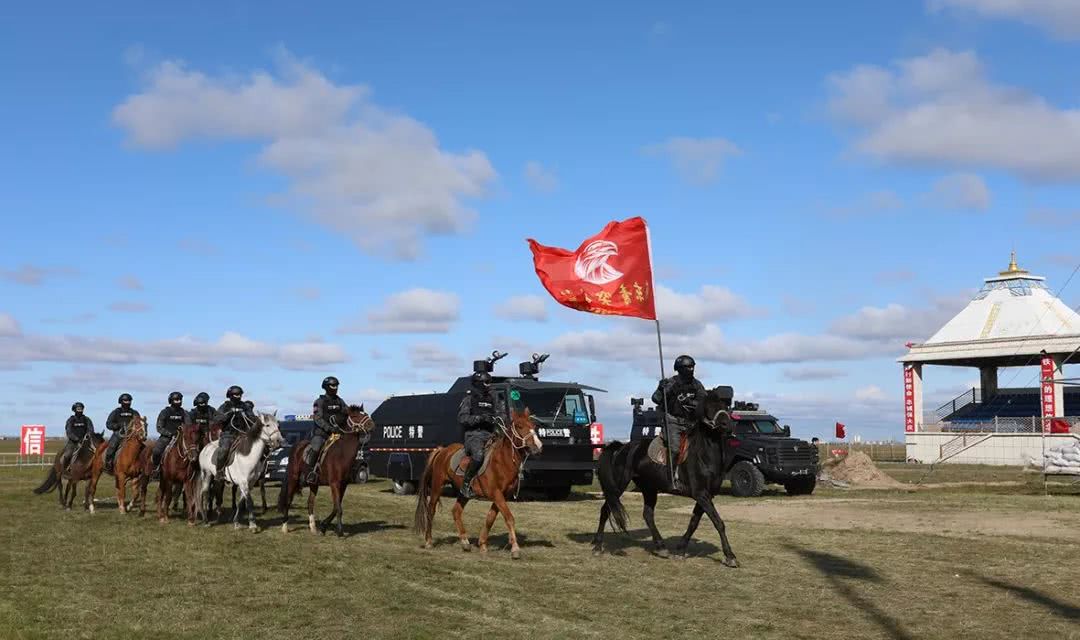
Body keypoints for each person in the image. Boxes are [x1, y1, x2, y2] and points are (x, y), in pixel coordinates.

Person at [652, 354, 706, 491]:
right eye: (688, 367)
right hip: (673, 421)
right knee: (675, 449)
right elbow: (656, 399)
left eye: (692, 366)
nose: (691, 369)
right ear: (680, 369)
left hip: (691, 423)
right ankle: (670, 479)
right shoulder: (671, 383)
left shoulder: (697, 384)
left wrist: (694, 403)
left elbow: (704, 400)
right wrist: (660, 389)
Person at [456, 371, 501, 499]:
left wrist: (496, 419)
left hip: (491, 435)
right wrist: (479, 418)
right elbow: (462, 418)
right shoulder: (469, 399)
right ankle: (465, 485)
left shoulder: (493, 399)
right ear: (479, 384)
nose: (489, 385)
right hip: (474, 435)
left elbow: (501, 414)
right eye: (486, 382)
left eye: (489, 382)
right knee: (479, 455)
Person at [304, 376, 349, 484]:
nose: (335, 387)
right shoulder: (319, 401)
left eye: (336, 385)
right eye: (333, 385)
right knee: (316, 447)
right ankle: (311, 473)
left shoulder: (340, 401)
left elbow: (347, 413)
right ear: (326, 387)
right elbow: (317, 419)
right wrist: (329, 428)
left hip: (337, 433)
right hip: (322, 434)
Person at [213, 385, 255, 478]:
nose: (238, 396)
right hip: (228, 434)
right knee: (224, 449)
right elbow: (216, 419)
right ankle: (219, 471)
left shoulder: (244, 406)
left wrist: (248, 416)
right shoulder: (225, 406)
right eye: (236, 394)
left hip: (243, 435)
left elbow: (252, 419)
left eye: (239, 394)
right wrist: (228, 414)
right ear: (230, 395)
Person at [151, 392, 191, 477]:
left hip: (181, 437)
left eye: (180, 400)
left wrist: (183, 432)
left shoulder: (184, 413)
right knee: (156, 451)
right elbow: (159, 427)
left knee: (193, 450)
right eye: (176, 400)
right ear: (171, 401)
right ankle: (156, 469)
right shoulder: (165, 412)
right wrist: (169, 433)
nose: (178, 401)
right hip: (167, 437)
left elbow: (189, 425)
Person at [104, 393, 141, 472]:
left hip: (131, 435)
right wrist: (117, 426)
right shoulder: (116, 412)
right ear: (121, 401)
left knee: (143, 448)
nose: (127, 402)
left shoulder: (134, 412)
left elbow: (139, 423)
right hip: (118, 434)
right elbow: (108, 424)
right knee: (111, 447)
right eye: (125, 401)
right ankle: (109, 464)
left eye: (129, 401)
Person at [61, 402, 94, 470]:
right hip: (73, 442)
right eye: (78, 409)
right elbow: (69, 431)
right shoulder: (71, 420)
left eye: (81, 409)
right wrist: (76, 439)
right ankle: (64, 469)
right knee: (67, 455)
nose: (80, 410)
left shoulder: (86, 419)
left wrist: (87, 435)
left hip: (85, 441)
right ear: (74, 410)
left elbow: (90, 429)